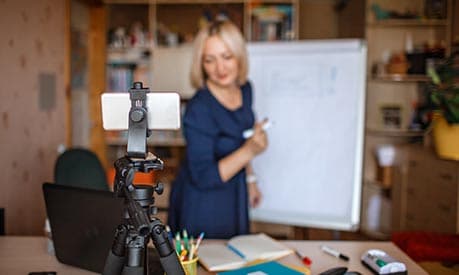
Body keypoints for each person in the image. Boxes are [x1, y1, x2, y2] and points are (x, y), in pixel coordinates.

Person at [168, 20, 268, 239]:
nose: (220, 68)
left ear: (239, 56)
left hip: (234, 192)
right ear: (201, 65)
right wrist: (250, 151)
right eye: (209, 60)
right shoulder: (199, 108)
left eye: (227, 57)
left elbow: (244, 135)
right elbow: (203, 176)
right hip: (202, 202)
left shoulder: (245, 89)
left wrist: (251, 182)